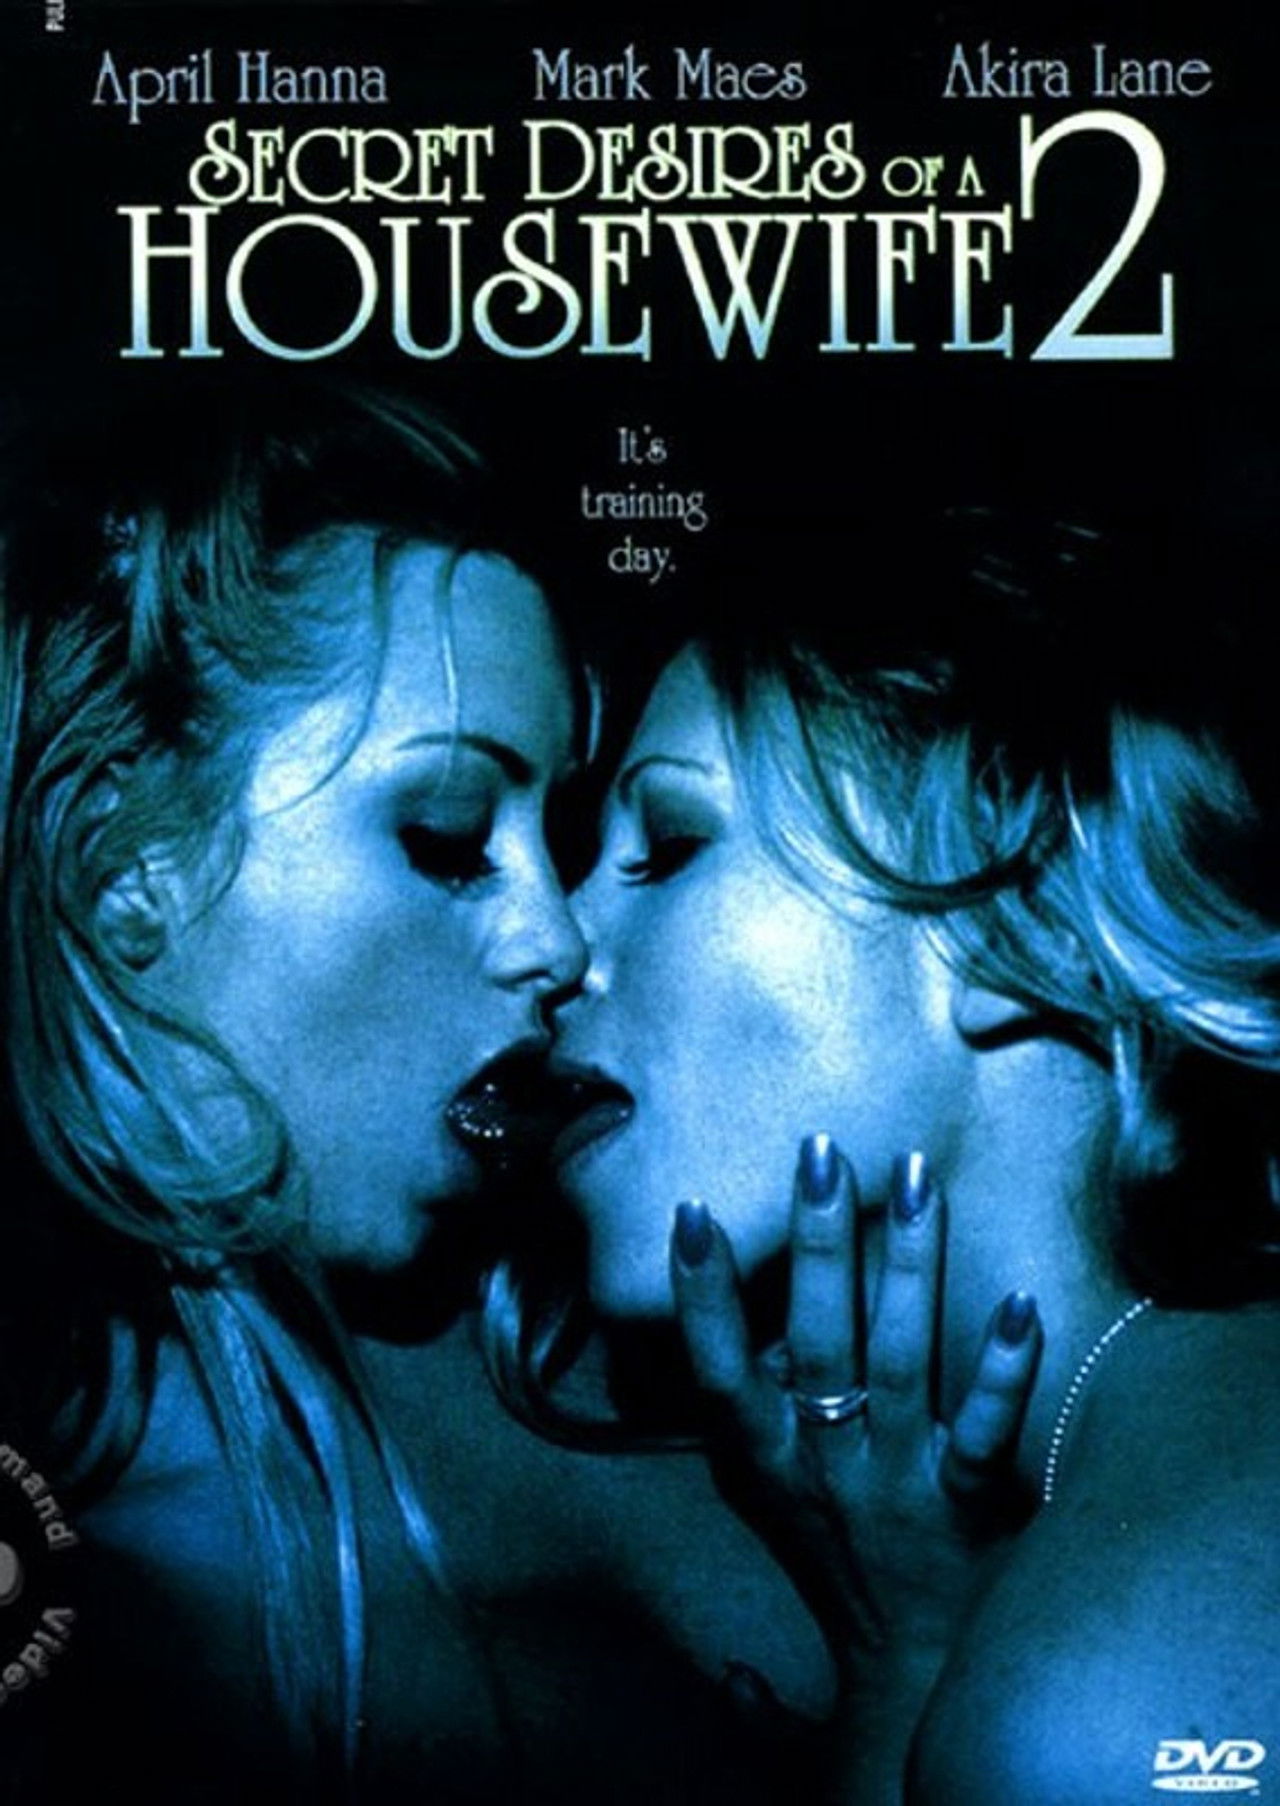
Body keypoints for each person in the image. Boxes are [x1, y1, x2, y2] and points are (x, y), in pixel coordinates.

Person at [531, 511, 1280, 1801]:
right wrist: (908, 1670)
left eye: (670, 848)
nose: (558, 944)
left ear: (1015, 920)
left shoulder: (1085, 1715)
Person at [0, 378, 606, 1801]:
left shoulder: (644, 1381)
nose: (564, 941)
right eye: (447, 835)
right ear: (124, 866)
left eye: (564, 838)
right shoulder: (84, 1610)